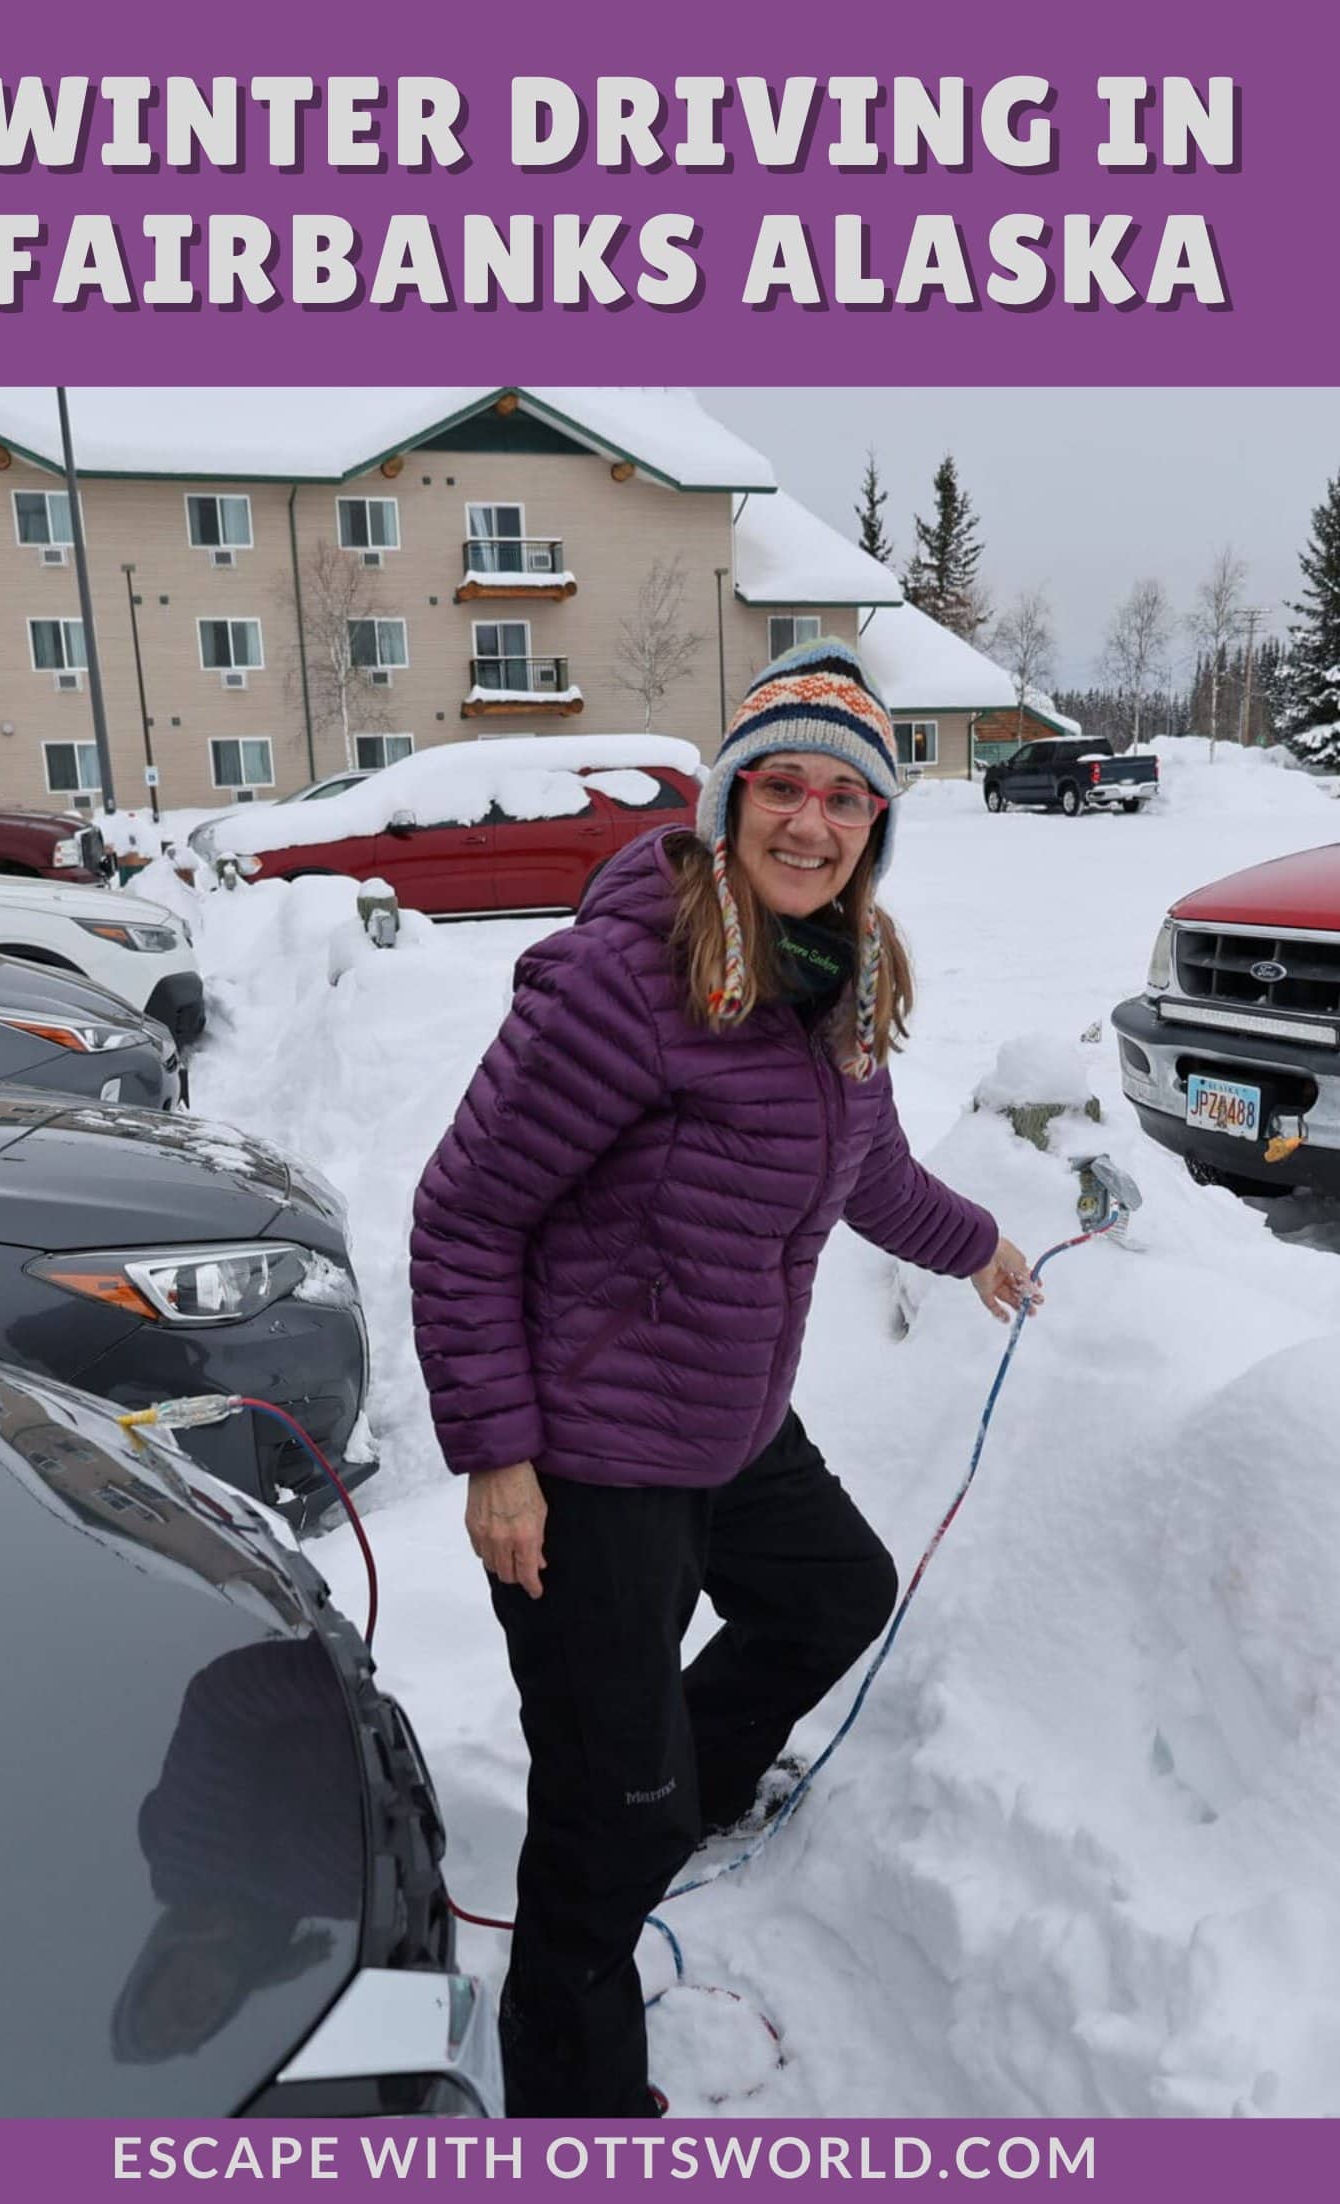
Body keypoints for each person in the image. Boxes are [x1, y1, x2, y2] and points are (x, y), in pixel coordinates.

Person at [410, 635, 1039, 2117]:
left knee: (828, 1595)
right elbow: (466, 1214)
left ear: (873, 826)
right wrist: (498, 1456)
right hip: (585, 1452)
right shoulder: (620, 982)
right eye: (781, 785)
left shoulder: (832, 974)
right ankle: (581, 2107)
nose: (808, 821)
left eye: (844, 797)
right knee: (600, 1813)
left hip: (727, 1420)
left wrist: (976, 1246)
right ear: (726, 801)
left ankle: (664, 1798)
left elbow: (862, 1167)